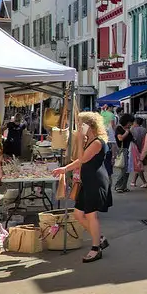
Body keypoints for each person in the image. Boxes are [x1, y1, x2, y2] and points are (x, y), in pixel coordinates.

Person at [52, 111, 111, 263]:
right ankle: (99, 238)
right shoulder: (90, 141)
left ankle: (95, 248)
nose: (78, 128)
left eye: (80, 125)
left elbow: (82, 159)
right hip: (88, 181)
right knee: (78, 214)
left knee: (91, 215)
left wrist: (79, 139)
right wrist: (65, 169)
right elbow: (79, 162)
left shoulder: (97, 142)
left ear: (89, 126)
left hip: (95, 182)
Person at [114, 115, 134, 192]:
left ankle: (124, 186)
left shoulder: (128, 129)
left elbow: (132, 138)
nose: (130, 124)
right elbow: (120, 138)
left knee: (127, 169)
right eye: (130, 122)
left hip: (129, 150)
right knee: (123, 169)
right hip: (123, 150)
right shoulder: (119, 128)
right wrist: (127, 132)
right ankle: (118, 186)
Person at [130, 117, 147, 189]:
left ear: (135, 122)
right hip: (143, 150)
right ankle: (133, 181)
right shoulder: (145, 130)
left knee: (138, 166)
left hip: (135, 150)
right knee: (138, 166)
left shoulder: (132, 130)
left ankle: (144, 182)